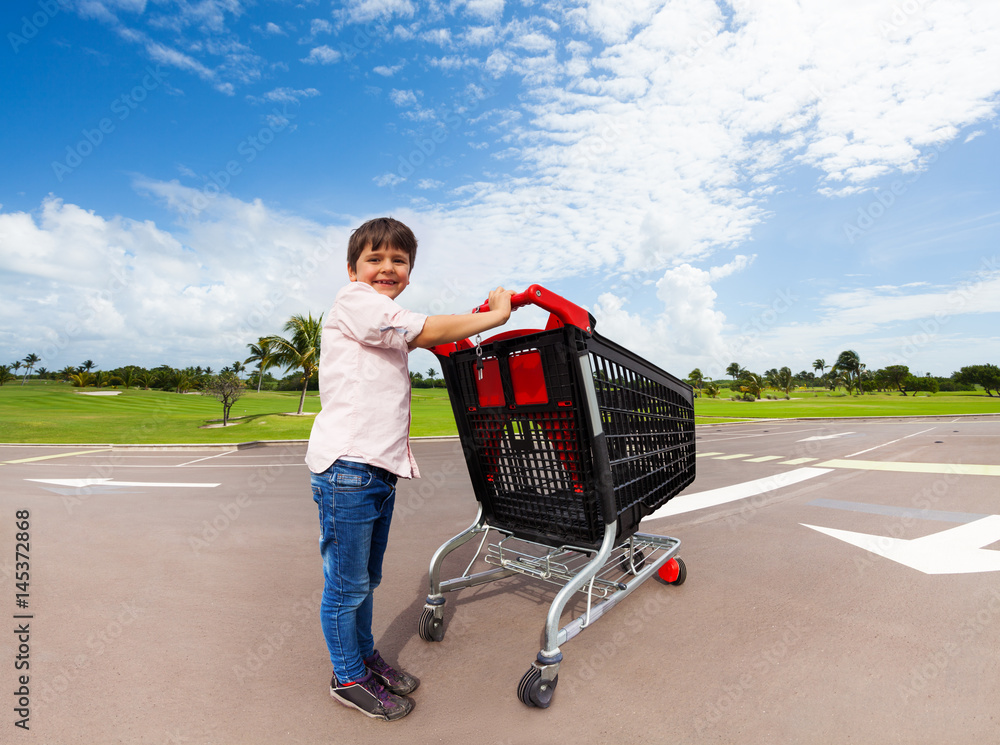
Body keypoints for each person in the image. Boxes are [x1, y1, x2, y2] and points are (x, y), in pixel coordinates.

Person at [305, 217, 515, 721]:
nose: (387, 268)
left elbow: (429, 334)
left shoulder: (384, 315)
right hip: (348, 468)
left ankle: (363, 658)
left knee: (365, 579)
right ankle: (347, 676)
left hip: (375, 469)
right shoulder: (355, 302)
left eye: (398, 260)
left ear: (409, 271)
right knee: (346, 585)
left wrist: (470, 320)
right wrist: (497, 316)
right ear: (352, 269)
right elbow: (427, 329)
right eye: (374, 259)